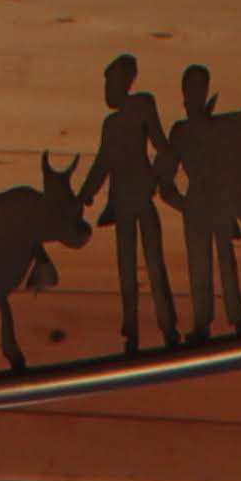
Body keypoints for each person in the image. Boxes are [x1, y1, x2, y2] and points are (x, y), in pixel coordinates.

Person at [89, 53, 183, 355]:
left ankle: (168, 327)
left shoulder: (142, 105)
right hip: (122, 204)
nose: (108, 91)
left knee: (154, 264)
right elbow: (102, 163)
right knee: (126, 269)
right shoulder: (110, 124)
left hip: (141, 197)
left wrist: (156, 178)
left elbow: (162, 145)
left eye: (111, 84)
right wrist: (84, 195)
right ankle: (131, 331)